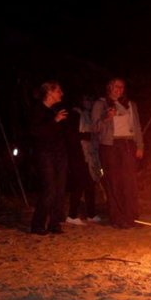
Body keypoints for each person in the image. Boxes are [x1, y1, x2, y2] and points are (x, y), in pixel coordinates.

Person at [91, 78, 144, 229]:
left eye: (121, 87)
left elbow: (137, 126)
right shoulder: (100, 104)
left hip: (128, 143)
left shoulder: (130, 104)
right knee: (114, 182)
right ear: (109, 87)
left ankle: (131, 216)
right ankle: (118, 218)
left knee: (130, 182)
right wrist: (107, 118)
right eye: (116, 86)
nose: (119, 89)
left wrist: (140, 145)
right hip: (110, 145)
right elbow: (94, 128)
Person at [29, 80, 68, 235]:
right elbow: (35, 132)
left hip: (59, 153)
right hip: (45, 154)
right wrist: (54, 121)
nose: (62, 94)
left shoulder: (54, 110)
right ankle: (37, 224)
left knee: (59, 189)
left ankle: (54, 222)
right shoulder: (37, 110)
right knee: (49, 190)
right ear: (49, 92)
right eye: (58, 91)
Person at [64, 96, 101, 225]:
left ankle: (91, 213)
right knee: (79, 183)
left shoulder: (89, 115)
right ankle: (72, 215)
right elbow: (71, 135)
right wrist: (89, 136)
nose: (89, 102)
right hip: (78, 153)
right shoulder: (75, 114)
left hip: (89, 154)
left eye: (91, 100)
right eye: (86, 99)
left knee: (90, 183)